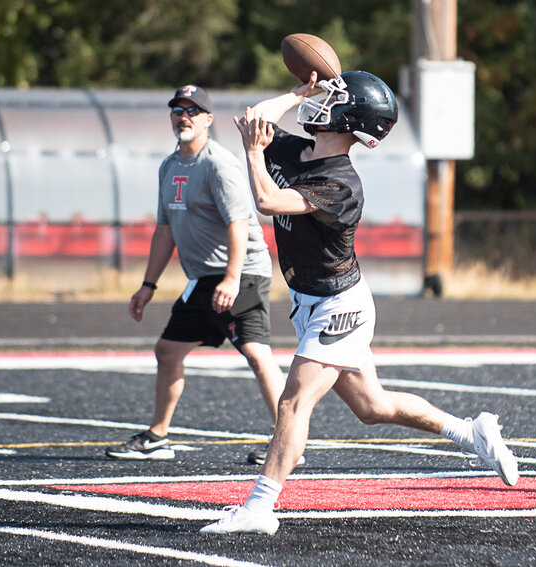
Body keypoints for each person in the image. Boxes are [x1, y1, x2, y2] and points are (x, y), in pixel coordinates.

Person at [200, 71, 519, 535]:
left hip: (338, 306)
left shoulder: (341, 183)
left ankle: (259, 507)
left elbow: (267, 200)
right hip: (313, 301)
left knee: (293, 404)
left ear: (348, 118)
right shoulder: (299, 150)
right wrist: (298, 93)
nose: (319, 105)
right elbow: (254, 119)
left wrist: (252, 151)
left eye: (331, 99)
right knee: (372, 406)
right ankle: (472, 432)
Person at [106, 84, 289, 465]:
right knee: (168, 351)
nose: (183, 117)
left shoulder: (218, 164)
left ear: (208, 120)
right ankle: (157, 438)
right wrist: (147, 286)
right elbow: (164, 230)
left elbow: (239, 223)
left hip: (242, 272)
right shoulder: (169, 166)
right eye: (177, 110)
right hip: (203, 277)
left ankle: (288, 441)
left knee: (256, 354)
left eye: (192, 111)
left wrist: (232, 278)